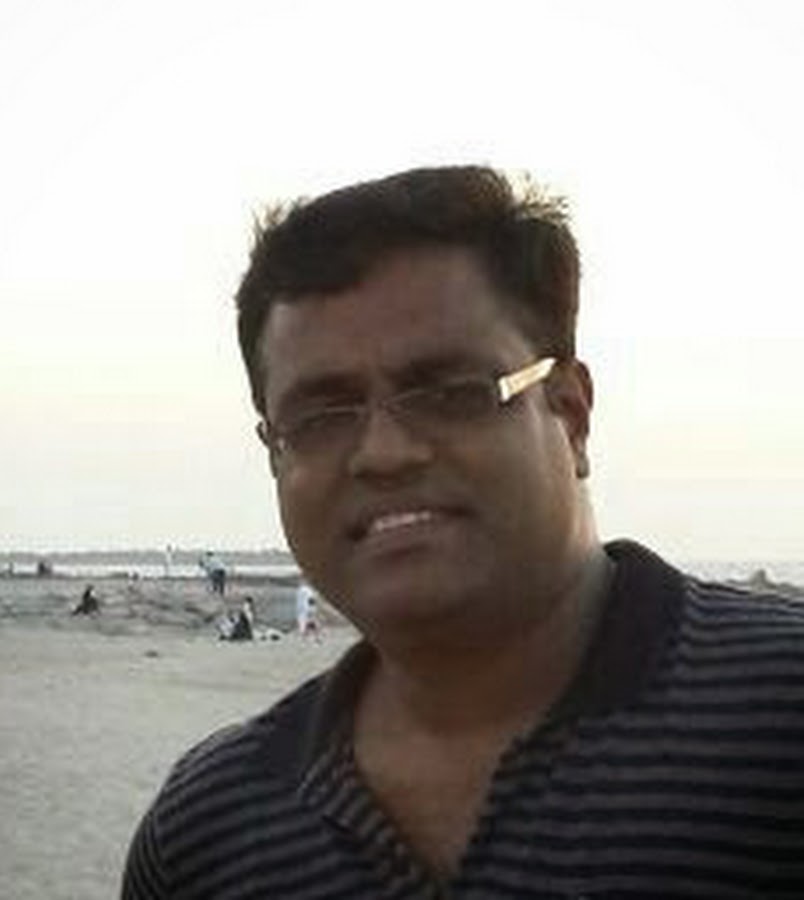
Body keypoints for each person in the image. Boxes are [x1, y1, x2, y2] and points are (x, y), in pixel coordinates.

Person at [122, 166, 804, 898]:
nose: (384, 453)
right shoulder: (208, 833)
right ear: (274, 454)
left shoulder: (777, 723)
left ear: (571, 413)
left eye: (450, 393)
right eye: (320, 416)